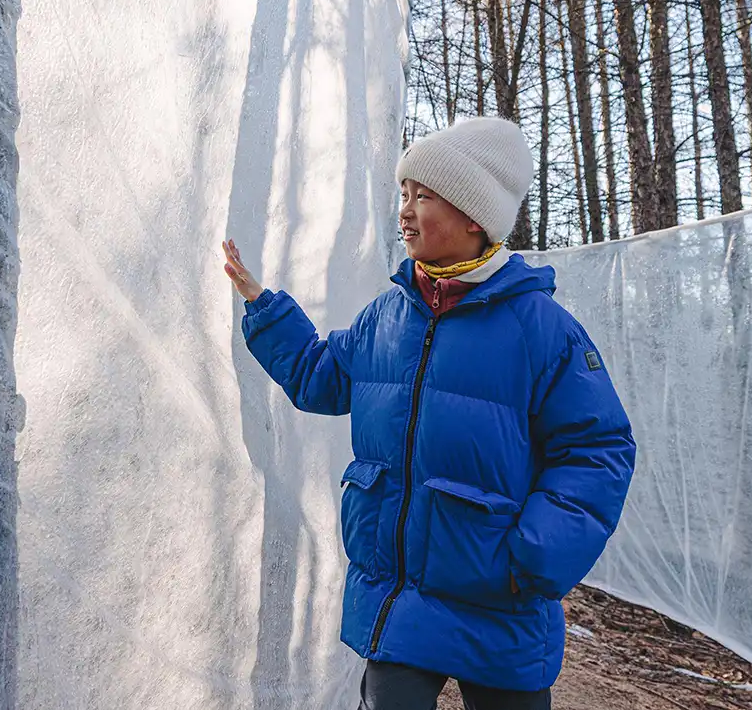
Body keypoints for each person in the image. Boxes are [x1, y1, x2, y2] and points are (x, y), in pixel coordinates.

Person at [221, 116, 635, 710]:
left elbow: (599, 450)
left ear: (474, 216)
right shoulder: (385, 318)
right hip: (400, 600)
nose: (405, 211)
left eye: (424, 196)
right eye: (404, 195)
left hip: (499, 603)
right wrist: (265, 308)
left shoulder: (543, 332)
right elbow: (319, 379)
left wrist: (534, 558)